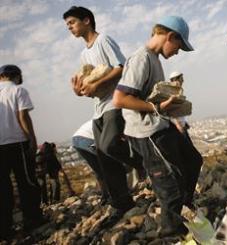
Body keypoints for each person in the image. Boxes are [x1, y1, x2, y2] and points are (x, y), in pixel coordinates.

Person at [113, 16, 203, 238]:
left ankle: (183, 209)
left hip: (160, 125)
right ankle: (171, 232)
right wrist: (157, 107)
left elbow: (151, 99)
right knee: (169, 185)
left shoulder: (154, 59)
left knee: (192, 161)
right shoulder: (141, 58)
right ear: (170, 36)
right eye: (179, 47)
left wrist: (169, 108)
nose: (177, 52)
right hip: (147, 132)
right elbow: (120, 99)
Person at [63, 6, 143, 222]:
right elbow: (92, 86)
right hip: (98, 108)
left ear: (86, 20)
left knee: (110, 146)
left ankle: (144, 162)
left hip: (115, 103)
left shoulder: (103, 40)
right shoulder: (83, 54)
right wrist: (82, 90)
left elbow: (121, 67)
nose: (69, 27)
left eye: (72, 22)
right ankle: (123, 203)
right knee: (104, 156)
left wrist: (97, 83)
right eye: (67, 25)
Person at [0, 64, 46, 240]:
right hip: (17, 142)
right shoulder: (18, 90)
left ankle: (5, 229)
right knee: (27, 182)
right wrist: (32, 139)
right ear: (16, 76)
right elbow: (23, 117)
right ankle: (33, 219)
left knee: (3, 187)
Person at [72, 120, 110, 203]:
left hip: (76, 140)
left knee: (98, 168)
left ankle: (105, 195)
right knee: (107, 164)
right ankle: (112, 193)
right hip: (86, 139)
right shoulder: (110, 118)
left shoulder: (100, 117)